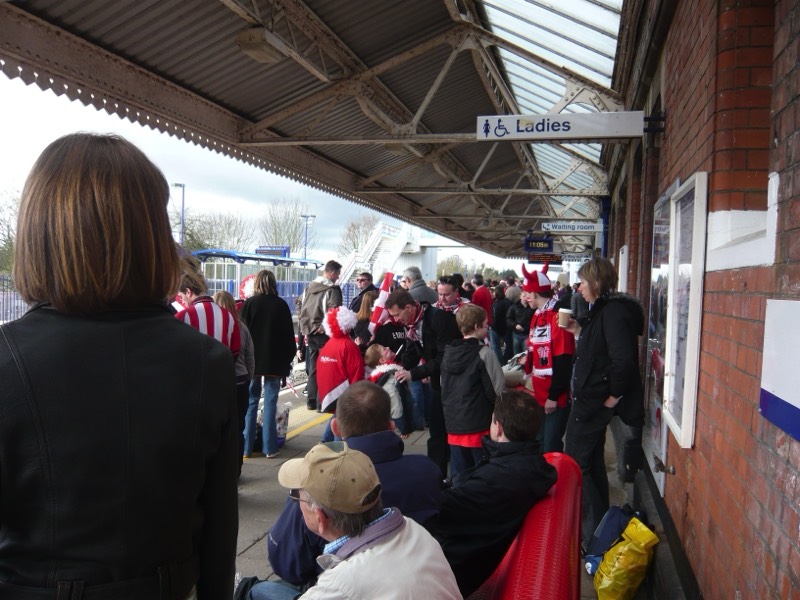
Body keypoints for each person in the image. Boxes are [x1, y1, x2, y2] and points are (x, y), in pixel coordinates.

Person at [0, 133, 238, 599]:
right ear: (149, 234)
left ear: (39, 232)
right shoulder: (207, 362)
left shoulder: (6, 358)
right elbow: (218, 533)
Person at [259, 381, 443, 594]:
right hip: (412, 576)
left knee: (258, 589)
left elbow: (286, 562)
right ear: (391, 426)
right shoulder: (427, 472)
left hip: (335, 584)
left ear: (335, 427)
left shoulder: (318, 485)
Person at [243, 440, 461, 600]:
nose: (295, 501)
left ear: (320, 518)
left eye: (296, 495)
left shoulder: (338, 586)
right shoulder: (414, 531)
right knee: (263, 589)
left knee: (256, 591)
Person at [433, 389, 557, 597]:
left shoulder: (497, 480)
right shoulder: (527, 465)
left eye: (492, 421)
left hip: (452, 567)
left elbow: (437, 509)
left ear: (498, 428)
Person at [564, 257, 644, 550]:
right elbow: (599, 350)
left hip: (594, 402)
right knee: (590, 462)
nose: (579, 287)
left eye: (583, 281)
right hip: (591, 399)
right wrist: (577, 332)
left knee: (576, 463)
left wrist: (612, 396)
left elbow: (624, 361)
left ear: (596, 282)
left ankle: (592, 537)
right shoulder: (604, 311)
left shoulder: (612, 313)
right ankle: (599, 532)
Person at [386, 288, 461, 477]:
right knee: (437, 430)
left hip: (454, 382)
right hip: (438, 380)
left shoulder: (438, 319)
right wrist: (397, 369)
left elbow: (445, 357)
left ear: (409, 308)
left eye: (397, 314)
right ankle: (438, 475)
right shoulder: (412, 323)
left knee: (450, 431)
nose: (395, 320)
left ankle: (453, 475)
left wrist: (414, 373)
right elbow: (412, 352)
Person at [440, 304, 505, 476]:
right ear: (476, 327)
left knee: (459, 476)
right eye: (485, 325)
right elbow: (497, 389)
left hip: (454, 425)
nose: (487, 327)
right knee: (482, 475)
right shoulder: (484, 353)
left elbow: (443, 385)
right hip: (479, 425)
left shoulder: (448, 354)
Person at [240, 269, 297, 459]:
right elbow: (289, 337)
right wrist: (288, 359)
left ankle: (246, 448)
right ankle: (269, 447)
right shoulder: (281, 305)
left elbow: (242, 333)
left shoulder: (249, 304)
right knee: (271, 401)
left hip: (252, 362)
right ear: (274, 283)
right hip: (274, 362)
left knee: (251, 402)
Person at [519, 263, 575, 453]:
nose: (525, 297)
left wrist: (553, 395)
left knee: (550, 446)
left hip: (554, 397)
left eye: (527, 292)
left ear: (534, 293)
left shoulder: (557, 316)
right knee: (539, 442)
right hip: (539, 391)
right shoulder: (537, 314)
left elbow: (564, 358)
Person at [214, 290, 255, 472]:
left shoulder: (214, 327)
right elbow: (250, 358)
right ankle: (236, 469)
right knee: (238, 428)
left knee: (218, 429)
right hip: (240, 383)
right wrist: (249, 377)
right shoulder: (242, 327)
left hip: (220, 383)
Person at [298, 260, 343, 411]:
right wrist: (323, 327)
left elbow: (299, 304)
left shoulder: (309, 287)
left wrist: (306, 324)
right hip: (325, 334)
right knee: (327, 367)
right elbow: (335, 310)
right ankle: (321, 403)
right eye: (337, 274)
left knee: (313, 368)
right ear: (332, 273)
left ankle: (311, 401)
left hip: (310, 333)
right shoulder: (332, 289)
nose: (338, 277)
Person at [176, 260, 241, 359]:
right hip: (221, 372)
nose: (182, 301)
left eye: (181, 297)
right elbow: (235, 351)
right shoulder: (228, 316)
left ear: (188, 292)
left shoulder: (182, 317)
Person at [364, 344, 415, 436]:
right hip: (393, 426)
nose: (388, 347)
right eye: (384, 349)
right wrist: (402, 428)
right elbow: (395, 404)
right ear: (382, 360)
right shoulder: (388, 379)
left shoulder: (389, 373)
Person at [506, 285, 533, 355]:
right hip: (516, 334)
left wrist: (526, 329)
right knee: (516, 355)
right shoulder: (514, 307)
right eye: (523, 296)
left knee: (526, 354)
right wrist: (515, 325)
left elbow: (533, 320)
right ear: (520, 297)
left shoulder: (532, 308)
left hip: (527, 334)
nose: (525, 298)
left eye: (526, 296)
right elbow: (508, 319)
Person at [489, 284, 511, 364]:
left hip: (496, 328)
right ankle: (506, 361)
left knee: (495, 347)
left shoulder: (496, 304)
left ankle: (501, 363)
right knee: (508, 346)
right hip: (506, 327)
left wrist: (492, 326)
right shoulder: (508, 302)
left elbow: (495, 317)